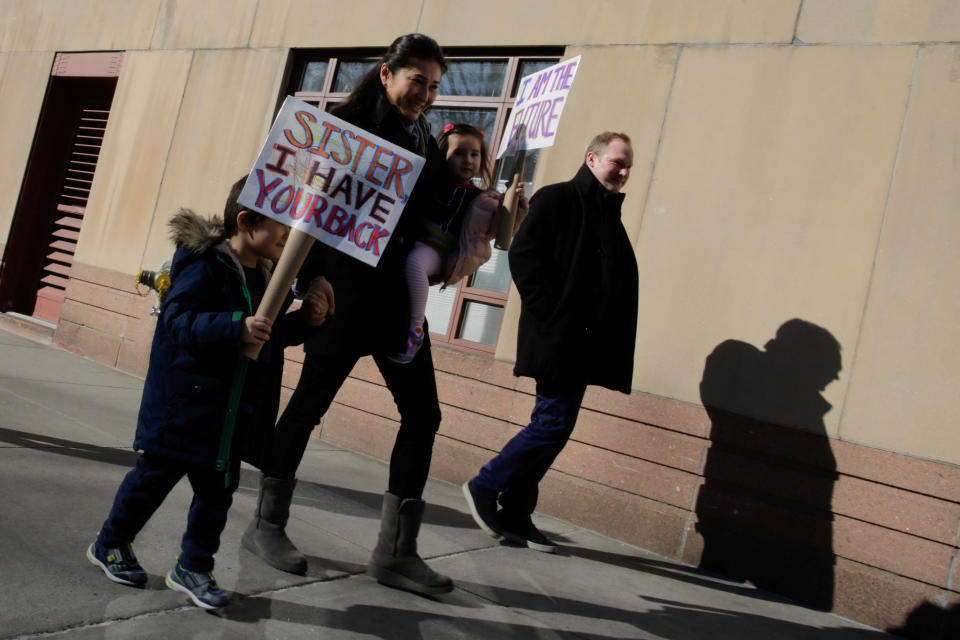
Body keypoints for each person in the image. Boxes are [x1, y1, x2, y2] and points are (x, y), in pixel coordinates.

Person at [242, 33, 455, 595]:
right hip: (340, 298)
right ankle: (265, 525)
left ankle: (394, 553)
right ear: (387, 73)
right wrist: (312, 281)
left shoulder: (425, 137)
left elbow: (429, 208)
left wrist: (478, 218)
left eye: (434, 87)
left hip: (398, 306)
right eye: (418, 82)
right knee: (309, 406)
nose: (426, 95)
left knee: (424, 416)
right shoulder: (343, 127)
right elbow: (295, 207)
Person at [86, 176, 331, 609]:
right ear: (245, 221)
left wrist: (305, 323)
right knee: (151, 480)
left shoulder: (266, 276)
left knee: (218, 492)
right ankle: (110, 542)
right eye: (282, 225)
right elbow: (178, 321)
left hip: (228, 412)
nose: (290, 235)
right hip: (182, 405)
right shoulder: (204, 264)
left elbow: (265, 338)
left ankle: (194, 566)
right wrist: (236, 326)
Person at [462, 132, 639, 552]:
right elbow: (523, 253)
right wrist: (551, 313)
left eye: (628, 165)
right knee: (552, 423)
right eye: (617, 162)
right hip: (559, 337)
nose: (624, 172)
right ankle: (485, 485)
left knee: (557, 427)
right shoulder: (558, 198)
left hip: (582, 343)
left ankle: (518, 514)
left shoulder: (605, 211)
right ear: (592, 158)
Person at [392, 122, 526, 363]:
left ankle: (415, 329)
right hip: (416, 240)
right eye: (459, 154)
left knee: (415, 263)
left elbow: (497, 230)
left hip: (439, 251)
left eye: (474, 154)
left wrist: (515, 206)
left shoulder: (482, 199)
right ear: (443, 157)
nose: (468, 160)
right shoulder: (432, 184)